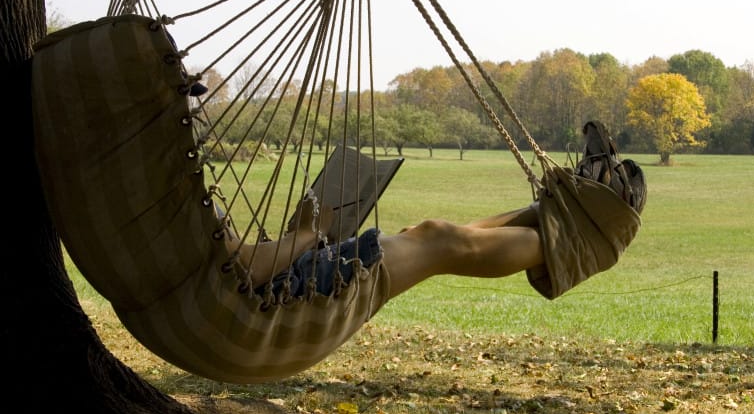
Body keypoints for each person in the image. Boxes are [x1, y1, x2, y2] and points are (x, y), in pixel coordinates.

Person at [226, 120, 647, 302]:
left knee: (431, 232)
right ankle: (584, 228)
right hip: (302, 285)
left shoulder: (197, 257)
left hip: (304, 277)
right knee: (437, 240)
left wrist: (306, 236)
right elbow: (241, 272)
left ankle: (563, 216)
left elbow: (237, 268)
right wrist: (305, 233)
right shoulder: (199, 270)